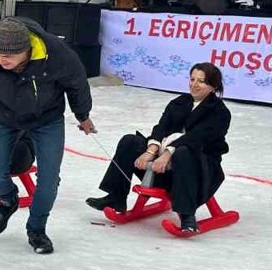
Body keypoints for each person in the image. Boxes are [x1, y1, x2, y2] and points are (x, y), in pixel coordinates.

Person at [0, 17, 95, 254]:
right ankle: (8, 200)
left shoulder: (55, 53)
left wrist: (82, 115)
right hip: (3, 116)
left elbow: (77, 83)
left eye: (9, 56)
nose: (1, 60)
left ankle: (37, 230)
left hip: (47, 117)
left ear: (27, 50)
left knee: (49, 180)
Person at [87, 63, 231, 235]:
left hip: (198, 169)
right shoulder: (178, 103)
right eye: (192, 79)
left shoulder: (220, 112)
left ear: (213, 86)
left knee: (184, 152)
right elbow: (161, 127)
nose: (194, 84)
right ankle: (116, 197)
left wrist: (168, 153)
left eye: (201, 81)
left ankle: (186, 214)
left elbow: (196, 138)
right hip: (161, 168)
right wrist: (151, 151)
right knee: (130, 141)